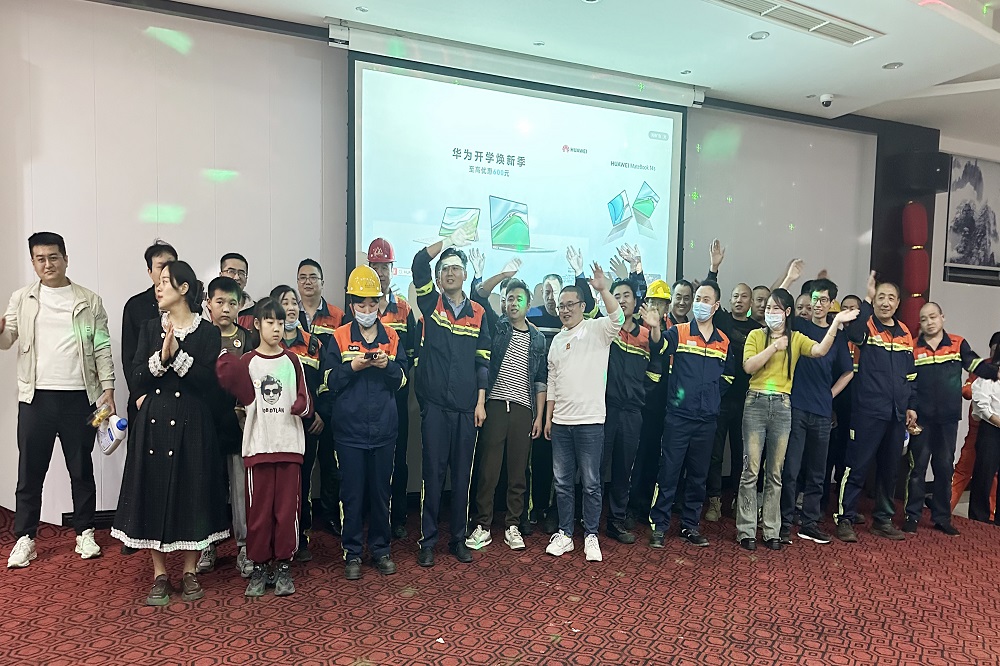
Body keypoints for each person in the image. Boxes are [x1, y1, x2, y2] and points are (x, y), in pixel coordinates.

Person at [112, 260, 228, 605]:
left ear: (184, 289)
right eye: (158, 281)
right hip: (154, 422)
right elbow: (136, 375)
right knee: (153, 491)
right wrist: (159, 360)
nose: (159, 288)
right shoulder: (150, 328)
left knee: (193, 492)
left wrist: (177, 356)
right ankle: (159, 574)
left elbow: (210, 384)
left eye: (166, 282)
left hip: (194, 422)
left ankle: (190, 570)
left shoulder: (207, 332)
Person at [3, 232, 116, 569]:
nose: (47, 264)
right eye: (40, 259)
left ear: (66, 258)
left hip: (80, 397)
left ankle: (85, 532)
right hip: (35, 398)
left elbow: (101, 346)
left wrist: (108, 388)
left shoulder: (89, 300)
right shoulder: (22, 298)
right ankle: (25, 538)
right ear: (33, 261)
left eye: (53, 257)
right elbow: (7, 339)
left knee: (81, 469)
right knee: (30, 472)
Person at [738, 288, 857, 551]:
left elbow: (820, 350)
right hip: (755, 402)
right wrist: (773, 347)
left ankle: (772, 530)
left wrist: (836, 323)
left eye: (776, 309)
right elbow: (748, 367)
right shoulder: (756, 335)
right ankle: (746, 530)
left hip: (783, 405)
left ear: (787, 313)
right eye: (768, 308)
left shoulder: (796, 337)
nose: (771, 313)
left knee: (776, 473)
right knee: (751, 471)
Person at [217, 297, 314, 597]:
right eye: (269, 322)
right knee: (258, 512)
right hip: (258, 447)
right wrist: (227, 365)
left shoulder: (292, 361)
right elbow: (242, 396)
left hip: (288, 446)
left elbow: (306, 401)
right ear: (257, 324)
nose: (276, 328)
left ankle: (283, 565)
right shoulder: (248, 361)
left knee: (286, 511)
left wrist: (300, 405)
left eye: (280, 322)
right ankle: (259, 566)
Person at [319, 266, 406, 579]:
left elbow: (402, 379)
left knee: (382, 494)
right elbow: (328, 382)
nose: (367, 310)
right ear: (351, 303)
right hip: (349, 432)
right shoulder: (340, 336)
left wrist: (386, 366)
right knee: (352, 495)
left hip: (384, 430)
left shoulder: (392, 337)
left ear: (380, 303)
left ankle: (381, 550)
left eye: (372, 303)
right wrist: (353, 367)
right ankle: (353, 553)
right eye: (361, 303)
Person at [412, 229, 491, 566]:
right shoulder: (432, 304)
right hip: (435, 407)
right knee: (432, 475)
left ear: (465, 274)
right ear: (439, 277)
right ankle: (428, 541)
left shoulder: (479, 313)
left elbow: (483, 361)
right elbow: (418, 264)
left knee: (462, 478)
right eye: (445, 269)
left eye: (456, 268)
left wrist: (480, 402)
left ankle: (458, 539)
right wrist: (447, 240)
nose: (450, 273)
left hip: (466, 408)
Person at [544, 263, 624, 562]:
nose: (565, 310)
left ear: (581, 306)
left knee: (591, 483)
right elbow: (552, 381)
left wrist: (603, 289)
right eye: (561, 306)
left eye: (570, 305)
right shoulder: (556, 341)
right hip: (561, 423)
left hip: (590, 421)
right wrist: (549, 416)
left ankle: (591, 535)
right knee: (562, 483)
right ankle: (565, 534)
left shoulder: (596, 329)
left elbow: (618, 318)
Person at [647, 281, 736, 549]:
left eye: (705, 299)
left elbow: (728, 377)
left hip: (707, 420)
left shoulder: (723, 341)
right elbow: (659, 347)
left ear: (716, 306)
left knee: (698, 476)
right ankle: (659, 526)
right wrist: (654, 327)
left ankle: (690, 525)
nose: (699, 303)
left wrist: (710, 398)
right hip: (678, 417)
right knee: (669, 472)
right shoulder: (680, 331)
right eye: (697, 298)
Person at [466, 265, 547, 552]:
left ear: (528, 303)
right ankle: (483, 525)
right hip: (496, 405)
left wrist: (538, 417)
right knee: (488, 470)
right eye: (509, 298)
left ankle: (513, 524)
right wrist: (502, 276)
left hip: (524, 409)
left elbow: (540, 380)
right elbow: (479, 294)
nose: (513, 303)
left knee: (518, 471)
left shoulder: (538, 338)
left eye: (518, 299)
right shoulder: (497, 325)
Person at [835, 273, 917, 543]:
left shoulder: (905, 333)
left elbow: (911, 375)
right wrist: (867, 299)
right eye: (881, 297)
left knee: (890, 470)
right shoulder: (866, 325)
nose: (885, 302)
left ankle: (883, 520)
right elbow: (853, 334)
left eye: (891, 298)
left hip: (896, 414)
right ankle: (845, 518)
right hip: (868, 410)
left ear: (898, 303)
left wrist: (911, 406)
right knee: (856, 466)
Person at [903, 303, 996, 535]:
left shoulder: (957, 343)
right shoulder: (913, 347)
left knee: (944, 468)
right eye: (924, 319)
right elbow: (909, 382)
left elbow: (974, 364)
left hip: (947, 420)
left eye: (933, 317)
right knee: (917, 469)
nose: (929, 322)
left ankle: (942, 517)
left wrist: (995, 372)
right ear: (920, 323)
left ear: (942, 318)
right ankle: (912, 515)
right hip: (921, 420)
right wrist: (911, 407)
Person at [526, 248, 595, 534]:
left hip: (570, 403)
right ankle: (538, 506)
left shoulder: (574, 322)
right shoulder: (532, 315)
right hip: (537, 396)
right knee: (540, 458)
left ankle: (557, 512)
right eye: (547, 291)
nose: (552, 297)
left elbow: (591, 306)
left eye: (556, 291)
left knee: (565, 467)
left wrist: (580, 272)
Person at [779, 279, 853, 545]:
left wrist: (829, 395)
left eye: (823, 300)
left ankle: (809, 523)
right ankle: (784, 521)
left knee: (817, 472)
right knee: (791, 469)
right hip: (796, 407)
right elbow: (778, 306)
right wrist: (790, 278)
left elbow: (848, 372)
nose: (818, 304)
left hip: (822, 412)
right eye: (814, 299)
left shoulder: (839, 337)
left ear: (831, 303)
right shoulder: (800, 326)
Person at [702, 240, 764, 523]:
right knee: (715, 454)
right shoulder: (723, 322)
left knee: (743, 455)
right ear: (728, 301)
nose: (739, 300)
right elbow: (709, 293)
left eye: (744, 296)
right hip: (720, 398)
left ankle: (741, 499)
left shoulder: (758, 331)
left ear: (751, 303)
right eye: (735, 296)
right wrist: (713, 268)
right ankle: (714, 500)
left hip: (748, 401)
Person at [196, 276, 253, 577]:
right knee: (209, 487)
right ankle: (209, 544)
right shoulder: (200, 337)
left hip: (239, 427)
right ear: (208, 304)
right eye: (219, 302)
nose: (226, 308)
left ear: (240, 305)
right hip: (206, 424)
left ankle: (244, 546)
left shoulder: (249, 339)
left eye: (232, 303)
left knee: (241, 490)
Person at [363, 239, 418, 539]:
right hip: (365, 397)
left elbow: (410, 356)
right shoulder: (361, 307)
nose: (380, 273)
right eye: (375, 267)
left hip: (396, 398)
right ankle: (369, 517)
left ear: (392, 270)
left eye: (385, 267)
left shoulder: (404, 309)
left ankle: (397, 519)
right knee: (367, 458)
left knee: (398, 458)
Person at [601, 278, 661, 545]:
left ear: (636, 302)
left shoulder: (647, 336)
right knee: (596, 467)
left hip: (632, 412)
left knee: (624, 469)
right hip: (604, 409)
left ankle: (616, 521)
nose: (622, 300)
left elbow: (656, 370)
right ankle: (588, 519)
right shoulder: (605, 330)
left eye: (626, 295)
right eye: (616, 295)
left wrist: (637, 395)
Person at [271, 285, 325, 561]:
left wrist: (320, 414)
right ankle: (275, 538)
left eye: (294, 302)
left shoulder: (314, 344)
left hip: (307, 426)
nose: (291, 307)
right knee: (277, 485)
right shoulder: (268, 344)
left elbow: (324, 385)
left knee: (303, 483)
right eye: (285, 302)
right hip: (275, 427)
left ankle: (301, 537)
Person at [296, 258, 344, 535]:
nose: (308, 282)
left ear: (322, 283)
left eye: (313, 277)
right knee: (300, 468)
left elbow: (339, 366)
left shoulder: (338, 317)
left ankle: (330, 516)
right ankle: (302, 522)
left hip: (328, 406)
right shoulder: (289, 314)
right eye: (303, 277)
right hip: (298, 409)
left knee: (331, 465)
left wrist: (324, 412)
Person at [628, 279, 675, 524]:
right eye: (653, 301)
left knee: (654, 455)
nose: (657, 306)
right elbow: (655, 345)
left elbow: (662, 345)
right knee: (636, 455)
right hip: (638, 399)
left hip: (662, 402)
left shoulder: (672, 328)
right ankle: (630, 506)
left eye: (662, 302)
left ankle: (646, 503)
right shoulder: (636, 326)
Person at [123, 240, 177, 423]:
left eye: (172, 265)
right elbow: (129, 357)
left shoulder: (191, 307)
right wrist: (138, 394)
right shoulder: (135, 306)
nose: (167, 271)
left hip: (178, 398)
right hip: (145, 395)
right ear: (149, 271)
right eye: (161, 266)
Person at [827, 294, 863, 510]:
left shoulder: (865, 340)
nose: (849, 312)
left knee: (850, 457)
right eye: (845, 308)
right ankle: (823, 503)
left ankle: (844, 504)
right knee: (829, 454)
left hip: (859, 408)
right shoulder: (834, 337)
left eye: (853, 309)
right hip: (834, 404)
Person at [969, 344, 1000, 525]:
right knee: (984, 473)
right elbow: (980, 404)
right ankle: (978, 518)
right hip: (991, 429)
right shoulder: (989, 374)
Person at [215, 253, 256, 330]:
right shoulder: (208, 309)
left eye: (241, 273)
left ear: (246, 279)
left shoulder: (257, 310)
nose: (237, 277)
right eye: (231, 271)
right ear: (221, 275)